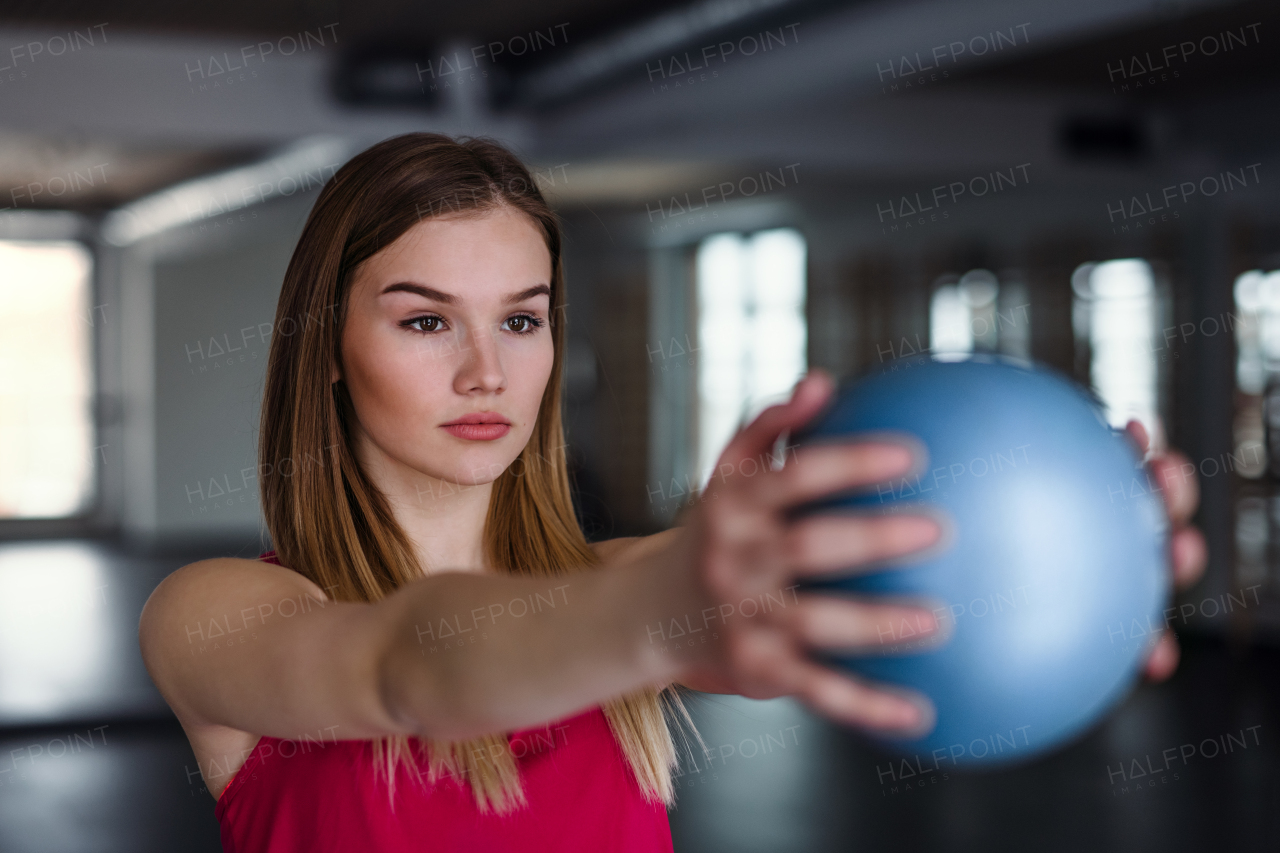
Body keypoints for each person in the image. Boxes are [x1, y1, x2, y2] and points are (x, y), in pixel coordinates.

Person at [138, 132, 1206, 852]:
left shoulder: (624, 591)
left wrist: (1080, 555)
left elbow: (876, 600)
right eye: (425, 320)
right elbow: (407, 665)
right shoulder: (217, 615)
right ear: (327, 347)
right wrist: (655, 610)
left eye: (521, 318)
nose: (485, 372)